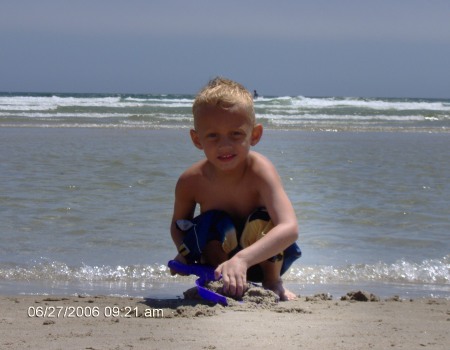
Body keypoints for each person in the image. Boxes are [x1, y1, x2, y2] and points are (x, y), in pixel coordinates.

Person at [170, 77, 300, 301]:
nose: (225, 145)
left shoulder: (260, 171)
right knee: (212, 221)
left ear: (255, 135)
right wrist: (185, 253)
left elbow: (290, 228)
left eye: (236, 134)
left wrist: (242, 260)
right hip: (219, 262)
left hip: (262, 260)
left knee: (262, 219)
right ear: (197, 139)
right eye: (213, 136)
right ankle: (218, 280)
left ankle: (273, 282)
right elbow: (178, 224)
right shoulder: (191, 181)